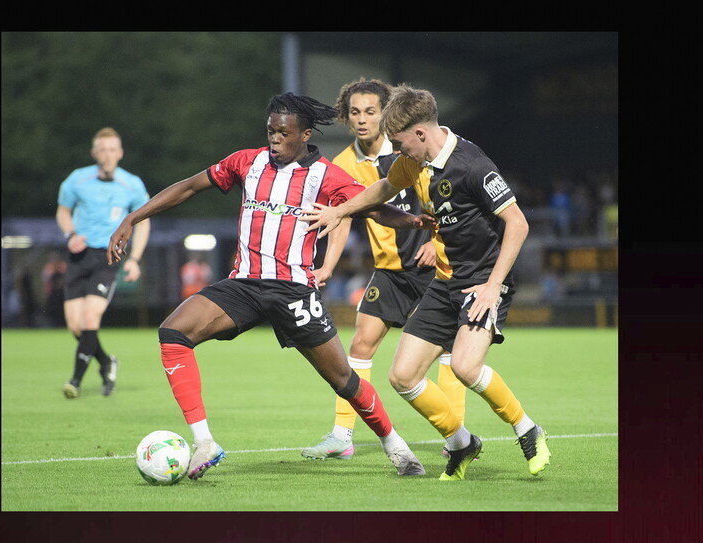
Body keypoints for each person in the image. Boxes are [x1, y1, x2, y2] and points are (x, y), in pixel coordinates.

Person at [107, 93, 436, 481]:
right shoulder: (247, 162)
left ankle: (395, 446)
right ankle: (204, 441)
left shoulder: (326, 175)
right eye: (270, 131)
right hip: (244, 285)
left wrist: (411, 221)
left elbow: (371, 207)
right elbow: (190, 187)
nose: (275, 139)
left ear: (305, 135)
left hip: (293, 291)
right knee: (173, 333)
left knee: (344, 380)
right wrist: (135, 216)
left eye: (284, 133)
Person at [301, 85, 552, 479]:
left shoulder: (473, 166)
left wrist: (492, 285)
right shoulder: (415, 162)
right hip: (444, 282)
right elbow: (384, 188)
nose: (397, 152)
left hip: (483, 282)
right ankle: (462, 442)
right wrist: (341, 211)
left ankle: (528, 430)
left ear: (420, 133)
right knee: (402, 376)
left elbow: (517, 223)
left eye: (400, 144)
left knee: (467, 368)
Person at [301, 78, 466, 461]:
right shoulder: (342, 164)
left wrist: (435, 242)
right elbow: (343, 216)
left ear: (385, 113)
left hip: (432, 265)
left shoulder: (410, 149)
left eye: (371, 112)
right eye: (355, 112)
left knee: (446, 350)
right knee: (360, 344)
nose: (362, 120)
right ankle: (343, 435)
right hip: (390, 270)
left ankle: (455, 435)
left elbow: (445, 198)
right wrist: (327, 265)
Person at [56, 127, 150, 398]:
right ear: (94, 153)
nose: (108, 155)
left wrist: (134, 259)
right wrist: (70, 234)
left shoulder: (131, 184)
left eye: (113, 149)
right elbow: (63, 212)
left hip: (108, 256)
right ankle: (107, 362)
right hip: (78, 256)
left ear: (120, 153)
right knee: (76, 326)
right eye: (103, 149)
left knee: (89, 317)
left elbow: (143, 222)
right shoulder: (77, 179)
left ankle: (74, 381)